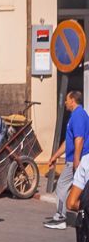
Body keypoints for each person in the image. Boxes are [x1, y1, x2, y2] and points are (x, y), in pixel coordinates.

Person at [44, 89, 88, 229]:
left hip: (76, 160)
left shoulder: (79, 115)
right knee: (73, 190)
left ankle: (60, 218)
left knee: (62, 185)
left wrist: (76, 160)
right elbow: (68, 142)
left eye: (67, 99)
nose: (65, 102)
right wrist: (54, 157)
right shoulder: (75, 116)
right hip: (73, 159)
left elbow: (79, 139)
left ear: (73, 100)